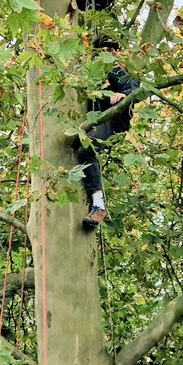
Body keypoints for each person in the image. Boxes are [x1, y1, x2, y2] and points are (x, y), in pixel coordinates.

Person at [74, 46, 140, 229]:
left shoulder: (123, 68)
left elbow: (134, 89)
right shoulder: (94, 69)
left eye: (111, 50)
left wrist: (121, 96)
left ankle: (99, 206)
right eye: (103, 50)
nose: (108, 53)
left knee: (87, 149)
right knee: (84, 147)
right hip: (94, 118)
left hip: (112, 120)